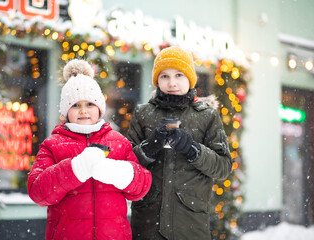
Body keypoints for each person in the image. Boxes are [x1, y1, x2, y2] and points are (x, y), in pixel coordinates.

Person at [27, 59, 152, 240]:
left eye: (90, 104)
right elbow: (38, 192)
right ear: (65, 110)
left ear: (100, 108)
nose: (83, 110)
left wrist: (116, 172)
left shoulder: (118, 142)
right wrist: (76, 168)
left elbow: (141, 187)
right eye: (75, 105)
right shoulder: (52, 145)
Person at [127, 46, 232, 240]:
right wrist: (148, 149)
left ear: (190, 78)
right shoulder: (143, 114)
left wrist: (194, 150)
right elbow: (126, 165)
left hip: (191, 225)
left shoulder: (207, 116)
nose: (172, 82)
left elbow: (223, 167)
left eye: (179, 75)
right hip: (147, 225)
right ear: (157, 80)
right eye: (164, 76)